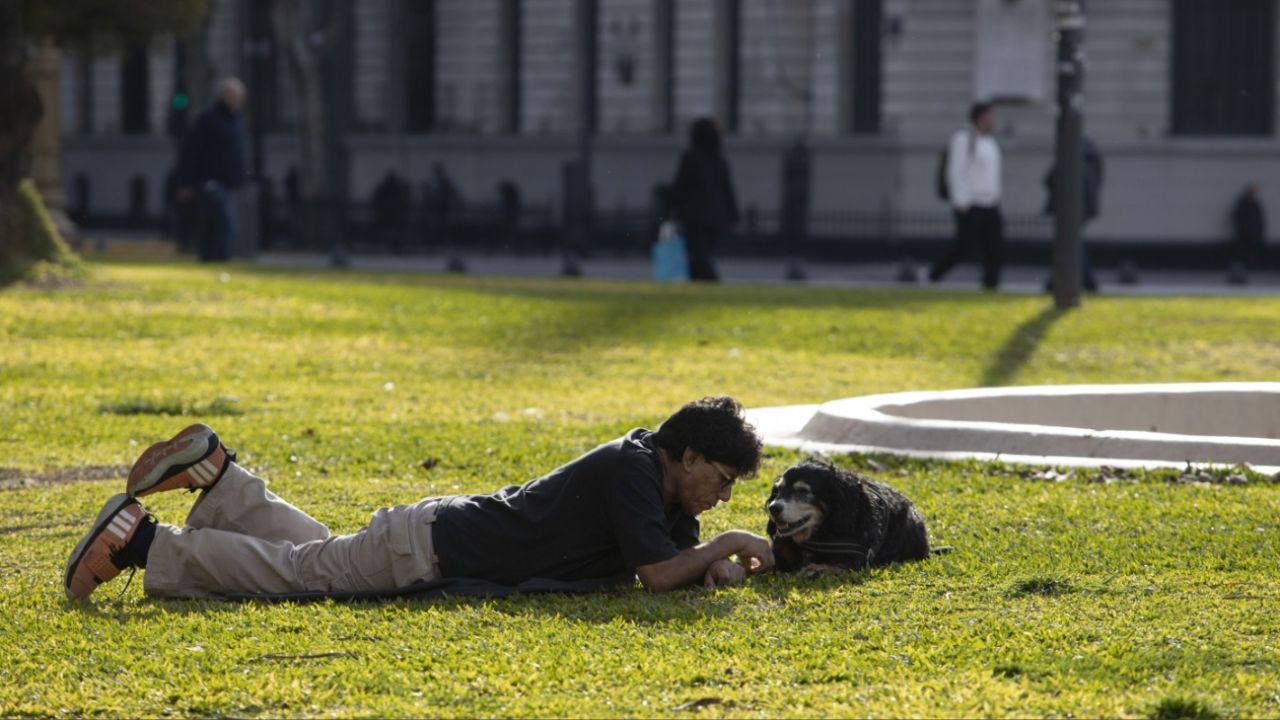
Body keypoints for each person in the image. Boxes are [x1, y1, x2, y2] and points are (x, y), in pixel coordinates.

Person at [64, 396, 774, 601]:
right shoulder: (633, 471)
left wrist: (715, 561)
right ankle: (143, 544)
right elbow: (657, 574)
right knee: (300, 576)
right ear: (687, 456)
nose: (723, 494)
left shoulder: (658, 486)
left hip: (431, 534)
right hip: (430, 549)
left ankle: (222, 479)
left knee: (316, 553)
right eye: (722, 477)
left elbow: (678, 561)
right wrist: (733, 545)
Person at [928, 102, 1005, 290]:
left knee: (994, 247)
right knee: (964, 248)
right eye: (989, 117)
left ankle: (991, 285)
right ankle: (934, 275)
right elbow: (955, 170)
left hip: (990, 203)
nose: (992, 121)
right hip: (971, 203)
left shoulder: (990, 142)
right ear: (979, 118)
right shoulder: (963, 138)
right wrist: (960, 200)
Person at [174, 78, 248, 262]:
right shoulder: (209, 119)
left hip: (227, 182)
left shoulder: (235, 121)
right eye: (236, 96)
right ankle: (216, 258)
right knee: (223, 223)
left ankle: (212, 258)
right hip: (210, 181)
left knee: (215, 223)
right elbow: (191, 152)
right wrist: (185, 182)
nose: (240, 101)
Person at [670, 117, 739, 282]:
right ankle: (701, 282)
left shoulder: (690, 158)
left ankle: (708, 282)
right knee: (702, 253)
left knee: (698, 255)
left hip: (694, 216)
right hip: (715, 216)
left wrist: (673, 208)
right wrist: (733, 216)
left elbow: (681, 187)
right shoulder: (719, 160)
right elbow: (727, 190)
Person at [1043, 136, 1104, 293]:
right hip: (1084, 210)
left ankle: (1085, 281)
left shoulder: (1071, 159)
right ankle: (1059, 280)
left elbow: (1049, 179)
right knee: (1073, 242)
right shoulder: (1094, 160)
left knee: (1071, 244)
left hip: (1068, 208)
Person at [1229, 182, 1266, 284]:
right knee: (1240, 258)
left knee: (1248, 259)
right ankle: (1237, 277)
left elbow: (1259, 221)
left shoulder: (1255, 205)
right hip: (1243, 237)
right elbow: (1239, 220)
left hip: (1252, 237)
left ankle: (1242, 277)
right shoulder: (1243, 204)